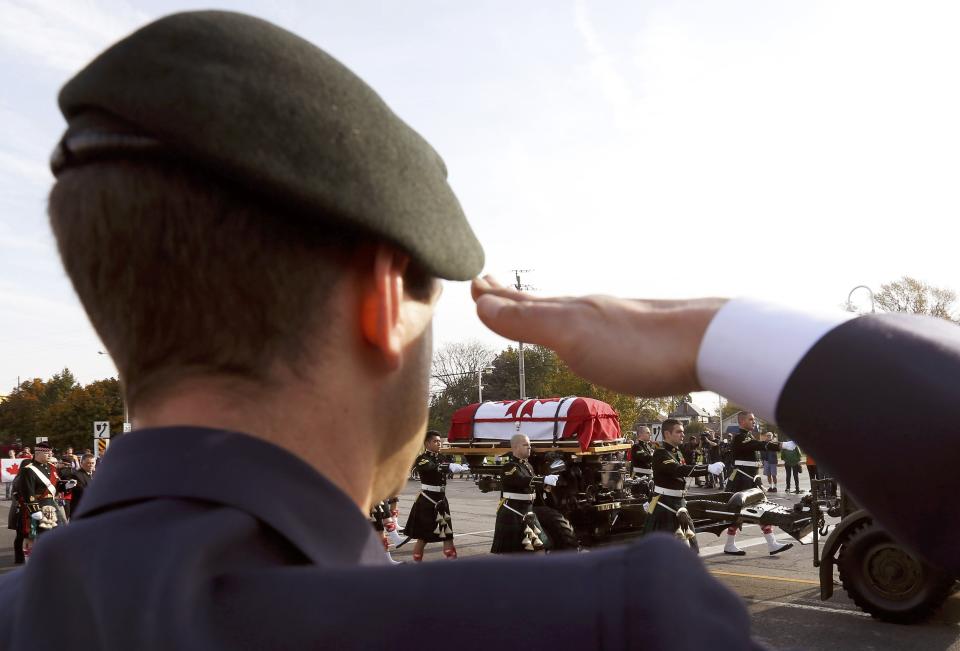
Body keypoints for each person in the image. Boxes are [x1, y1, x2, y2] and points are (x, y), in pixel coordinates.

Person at [643, 420, 725, 552]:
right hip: (665, 505)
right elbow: (678, 470)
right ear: (667, 434)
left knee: (689, 550)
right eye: (678, 431)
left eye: (683, 432)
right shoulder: (660, 453)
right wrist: (707, 468)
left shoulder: (676, 452)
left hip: (678, 504)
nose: (682, 435)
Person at [403, 431, 469, 561]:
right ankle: (417, 566)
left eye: (439, 441)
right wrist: (448, 466)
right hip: (427, 500)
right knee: (423, 537)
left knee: (448, 534)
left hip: (441, 500)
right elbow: (431, 468)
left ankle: (452, 563)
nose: (439, 443)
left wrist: (464, 466)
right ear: (427, 443)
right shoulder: (422, 459)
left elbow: (442, 465)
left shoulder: (441, 457)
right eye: (435, 441)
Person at [490, 434, 555, 554]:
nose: (529, 447)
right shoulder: (509, 467)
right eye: (525, 445)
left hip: (528, 512)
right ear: (515, 447)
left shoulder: (527, 466)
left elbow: (532, 484)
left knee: (540, 548)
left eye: (530, 445)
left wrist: (546, 486)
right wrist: (543, 479)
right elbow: (520, 480)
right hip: (513, 512)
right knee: (512, 553)